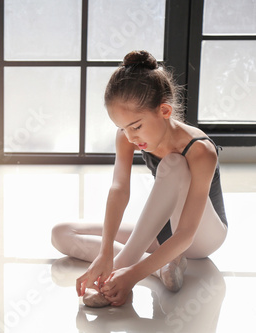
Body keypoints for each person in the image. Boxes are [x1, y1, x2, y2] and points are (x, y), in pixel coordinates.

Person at [51, 50, 228, 307]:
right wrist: (105, 251)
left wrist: (131, 275)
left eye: (136, 126)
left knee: (175, 163)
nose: (131, 137)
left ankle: (120, 272)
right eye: (122, 128)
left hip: (200, 237)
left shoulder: (200, 149)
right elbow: (119, 189)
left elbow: (187, 232)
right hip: (166, 234)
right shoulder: (127, 137)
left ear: (165, 110)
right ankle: (161, 268)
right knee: (62, 233)